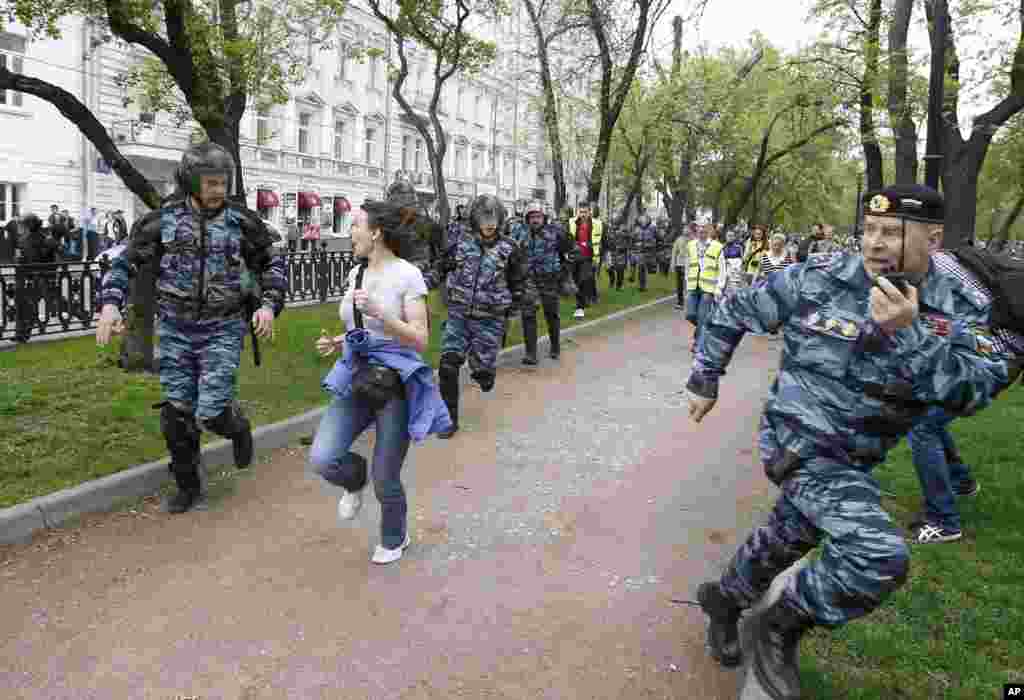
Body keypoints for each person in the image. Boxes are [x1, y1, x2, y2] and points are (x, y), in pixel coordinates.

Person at [687, 184, 1009, 700]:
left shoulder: (958, 306)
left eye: (892, 232)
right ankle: (777, 627)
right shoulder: (819, 276)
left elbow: (971, 392)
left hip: (859, 455)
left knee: (791, 534)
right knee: (876, 554)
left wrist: (910, 333)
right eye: (869, 229)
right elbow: (732, 309)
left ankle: (725, 601)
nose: (875, 243)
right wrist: (705, 378)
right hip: (799, 440)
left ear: (933, 240)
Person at [96, 142, 287, 514]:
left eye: (223, 183)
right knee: (177, 414)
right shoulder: (162, 222)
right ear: (190, 181)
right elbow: (124, 263)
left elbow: (272, 264)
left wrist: (268, 306)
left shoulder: (242, 222)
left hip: (222, 327)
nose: (219, 190)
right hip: (175, 328)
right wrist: (109, 304)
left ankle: (236, 426)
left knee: (211, 410)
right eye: (211, 183)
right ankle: (188, 485)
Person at [310, 199, 451, 564]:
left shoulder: (407, 275)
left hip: (395, 380)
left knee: (386, 475)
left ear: (375, 232)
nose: (351, 232)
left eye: (356, 225)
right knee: (323, 457)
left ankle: (394, 537)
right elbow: (363, 327)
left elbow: (420, 339)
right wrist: (338, 341)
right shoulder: (356, 273)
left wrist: (382, 313)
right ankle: (354, 480)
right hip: (358, 373)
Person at [904, 245, 1024, 543]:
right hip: (997, 352)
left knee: (922, 424)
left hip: (994, 357)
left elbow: (965, 329)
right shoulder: (940, 262)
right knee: (926, 415)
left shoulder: (935, 273)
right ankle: (960, 481)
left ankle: (944, 521)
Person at [435, 194, 526, 439]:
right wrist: (422, 283)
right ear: (475, 219)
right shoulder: (460, 243)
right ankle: (448, 420)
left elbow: (518, 282)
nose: (489, 224)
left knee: (482, 374)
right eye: (484, 218)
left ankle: (485, 373)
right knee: (447, 366)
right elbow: (441, 267)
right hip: (459, 315)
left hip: (489, 319)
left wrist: (514, 311)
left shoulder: (510, 248)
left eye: (493, 218)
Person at [510, 199, 573, 365]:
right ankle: (531, 353)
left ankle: (555, 346)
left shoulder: (555, 231)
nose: (535, 220)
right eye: (532, 217)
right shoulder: (520, 232)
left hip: (549, 279)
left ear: (544, 217)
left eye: (538, 216)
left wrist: (565, 272)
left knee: (551, 314)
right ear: (527, 218)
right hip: (529, 280)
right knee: (528, 315)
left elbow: (570, 249)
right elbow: (511, 253)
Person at [685, 223, 724, 353]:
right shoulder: (691, 245)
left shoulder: (717, 246)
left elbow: (722, 269)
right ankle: (708, 328)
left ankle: (698, 344)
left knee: (702, 315)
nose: (701, 231)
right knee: (690, 314)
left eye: (704, 229)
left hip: (708, 287)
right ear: (696, 231)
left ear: (708, 231)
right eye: (699, 229)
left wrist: (719, 287)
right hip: (693, 285)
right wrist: (686, 281)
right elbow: (688, 264)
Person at [569, 203, 601, 317]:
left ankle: (580, 307)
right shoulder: (572, 222)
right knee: (576, 281)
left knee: (584, 279)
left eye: (585, 212)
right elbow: (568, 237)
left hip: (588, 256)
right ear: (578, 212)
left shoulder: (596, 224)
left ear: (589, 212)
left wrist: (598, 254)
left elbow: (601, 240)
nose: (583, 214)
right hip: (575, 256)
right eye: (581, 212)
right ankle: (583, 301)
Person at [671, 224, 690, 309]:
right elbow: (674, 252)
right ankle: (680, 302)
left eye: (687, 229)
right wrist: (673, 263)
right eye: (684, 229)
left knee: (688, 283)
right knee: (679, 284)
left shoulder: (692, 240)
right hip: (679, 264)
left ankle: (690, 301)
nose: (686, 230)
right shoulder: (678, 240)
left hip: (689, 264)